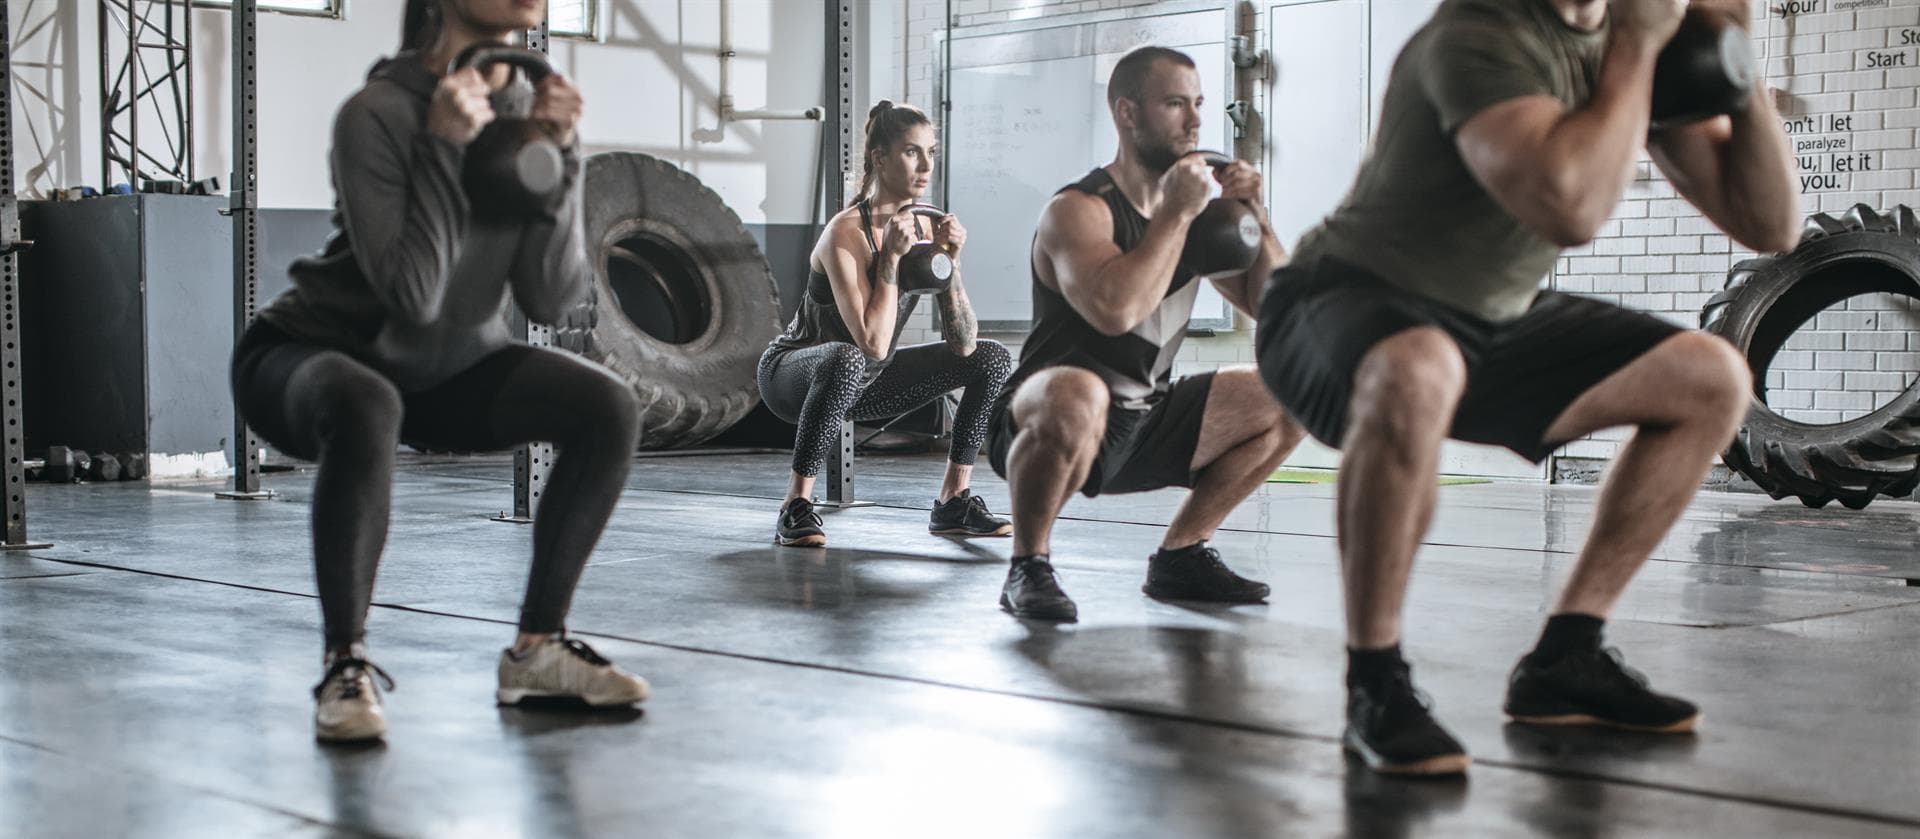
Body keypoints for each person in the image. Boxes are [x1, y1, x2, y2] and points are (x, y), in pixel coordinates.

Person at [1255, 0, 1796, 775]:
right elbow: (1569, 205)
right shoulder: (1478, 34)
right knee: (1419, 365)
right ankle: (1375, 681)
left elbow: (1770, 223)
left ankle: (1565, 657)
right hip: (1336, 297)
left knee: (1711, 378)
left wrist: (1739, 66)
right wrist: (1639, 48)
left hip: (1488, 317)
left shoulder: (1623, 42)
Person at [230, 0, 653, 743]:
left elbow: (549, 293)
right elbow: (413, 295)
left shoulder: (524, 110)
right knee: (368, 403)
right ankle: (345, 664)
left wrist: (561, 153)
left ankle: (538, 649)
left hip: (442, 365)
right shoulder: (376, 113)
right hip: (310, 355)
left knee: (607, 407)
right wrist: (443, 147)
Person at [985, 47, 1306, 623]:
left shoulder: (1191, 215)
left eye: (1198, 104)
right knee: (1078, 393)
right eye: (1175, 103)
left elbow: (1277, 306)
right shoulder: (1079, 210)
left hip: (1144, 419)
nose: (1195, 121)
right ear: (1128, 114)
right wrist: (1177, 215)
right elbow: (1117, 310)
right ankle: (1027, 565)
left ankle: (1181, 555)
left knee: (1290, 395)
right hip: (1046, 418)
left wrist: (1255, 211)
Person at [758, 101, 1014, 547]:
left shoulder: (924, 226)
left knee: (993, 358)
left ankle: (954, 501)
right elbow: (873, 344)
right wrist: (892, 259)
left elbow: (965, 345)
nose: (926, 165)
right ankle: (795, 505)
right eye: (912, 152)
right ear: (879, 157)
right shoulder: (845, 234)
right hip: (793, 374)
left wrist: (952, 263)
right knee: (847, 357)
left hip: (864, 379)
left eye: (931, 152)